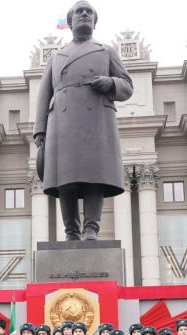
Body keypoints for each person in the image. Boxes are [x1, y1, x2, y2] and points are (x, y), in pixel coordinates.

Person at [33, 0, 133, 240]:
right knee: (64, 177)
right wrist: (40, 131)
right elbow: (44, 94)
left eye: (89, 12)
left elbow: (127, 86)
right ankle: (71, 231)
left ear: (94, 22)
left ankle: (91, 228)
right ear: (70, 21)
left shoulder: (106, 51)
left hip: (96, 120)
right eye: (80, 11)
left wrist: (110, 83)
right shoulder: (57, 56)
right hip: (62, 123)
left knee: (94, 175)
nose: (85, 14)